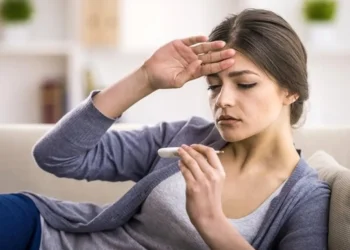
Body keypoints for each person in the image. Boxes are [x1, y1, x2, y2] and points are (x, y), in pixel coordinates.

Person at [0, 8, 329, 250]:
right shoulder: (185, 138)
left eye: (245, 84)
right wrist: (145, 79)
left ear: (290, 90)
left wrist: (211, 221)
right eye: (213, 86)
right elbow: (55, 156)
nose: (223, 100)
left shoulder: (305, 198)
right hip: (44, 236)